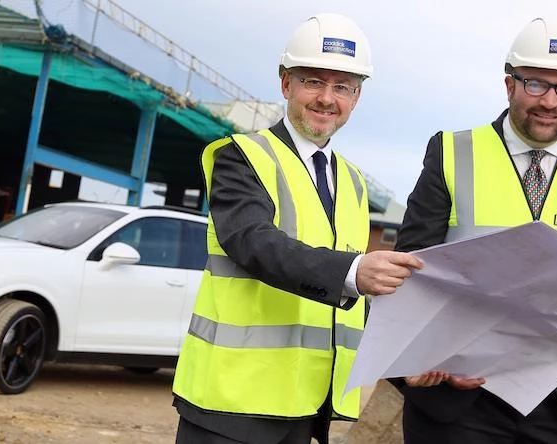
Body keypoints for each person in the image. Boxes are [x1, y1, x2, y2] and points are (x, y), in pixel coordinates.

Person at [393, 17, 557, 443]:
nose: (550, 100)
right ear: (509, 83)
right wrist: (428, 358)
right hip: (460, 397)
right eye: (536, 84)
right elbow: (409, 266)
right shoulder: (453, 152)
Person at [171, 13, 423, 444]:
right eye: (313, 82)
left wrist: (400, 362)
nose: (327, 98)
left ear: (357, 97)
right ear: (286, 84)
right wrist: (354, 271)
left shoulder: (353, 183)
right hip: (231, 404)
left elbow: (353, 299)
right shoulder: (241, 157)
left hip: (306, 408)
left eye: (342, 87)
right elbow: (253, 242)